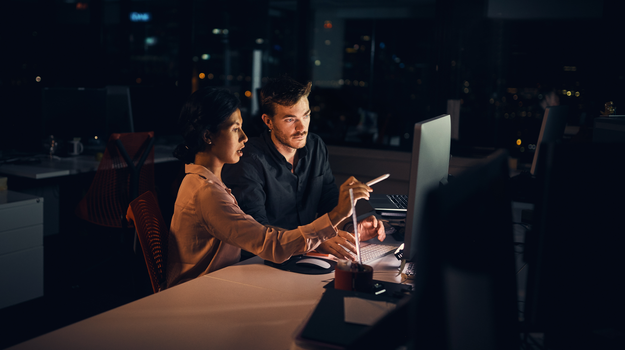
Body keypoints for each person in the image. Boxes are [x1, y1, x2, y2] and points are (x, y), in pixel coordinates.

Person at [166, 87, 372, 288]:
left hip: (222, 283)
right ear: (208, 136)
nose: (244, 137)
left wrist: (347, 227)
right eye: (235, 129)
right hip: (197, 295)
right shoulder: (206, 192)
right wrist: (336, 216)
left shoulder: (208, 182)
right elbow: (271, 244)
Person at [222, 76, 385, 261]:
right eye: (290, 120)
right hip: (260, 262)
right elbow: (258, 232)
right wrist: (316, 239)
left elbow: (329, 203)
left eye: (306, 116)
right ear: (268, 122)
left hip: (307, 256)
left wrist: (350, 227)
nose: (302, 128)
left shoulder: (315, 146)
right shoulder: (247, 160)